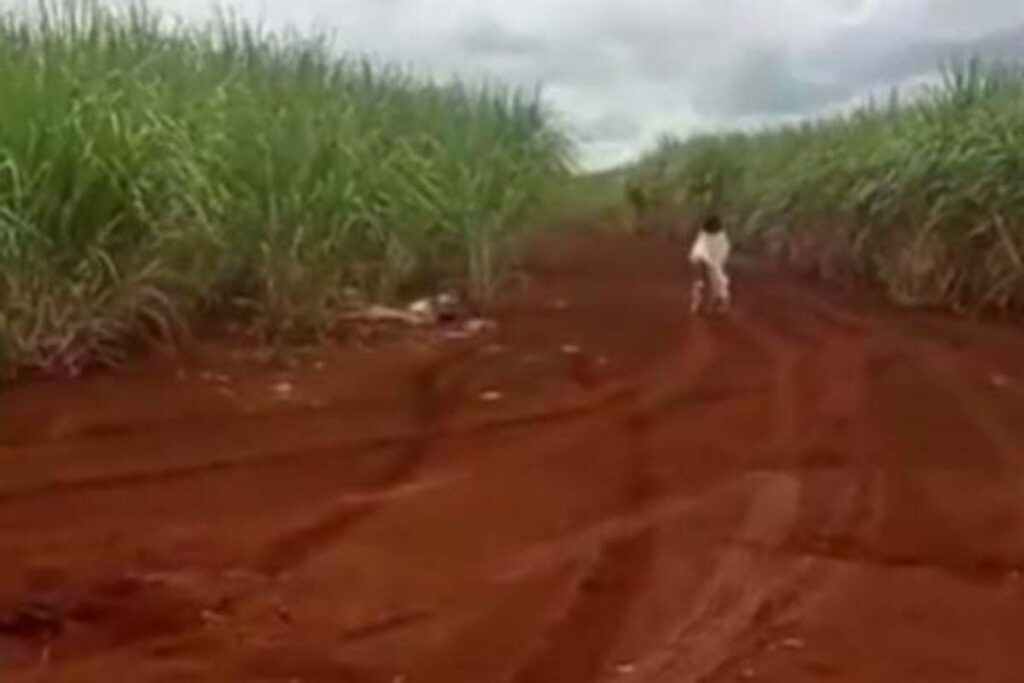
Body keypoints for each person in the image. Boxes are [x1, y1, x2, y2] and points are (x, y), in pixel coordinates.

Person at [689, 214, 731, 314]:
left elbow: (723, 251)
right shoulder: (704, 235)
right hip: (703, 261)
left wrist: (714, 263)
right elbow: (698, 251)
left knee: (716, 283)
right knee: (702, 282)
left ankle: (717, 303)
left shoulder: (720, 237)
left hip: (712, 263)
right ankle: (700, 303)